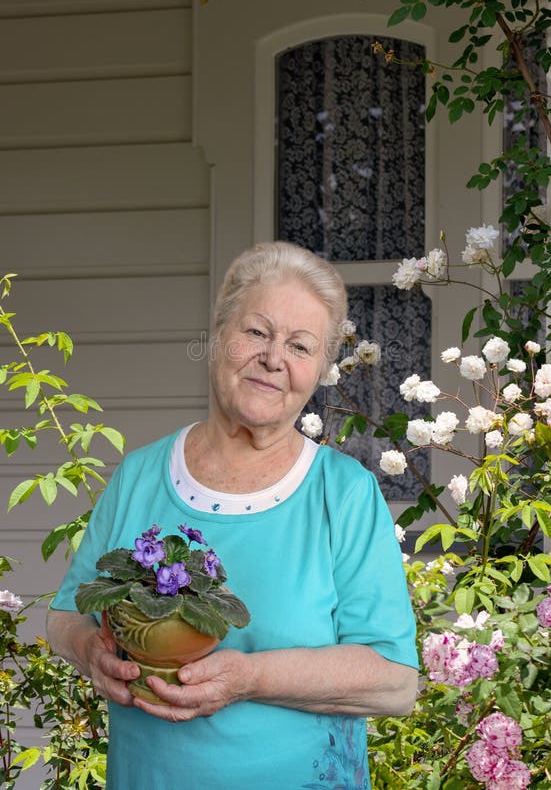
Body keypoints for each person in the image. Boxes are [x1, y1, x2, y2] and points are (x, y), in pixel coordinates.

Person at [47, 241, 418, 790]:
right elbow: (65, 615)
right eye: (257, 332)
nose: (274, 359)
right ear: (219, 333)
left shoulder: (343, 493)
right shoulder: (140, 476)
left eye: (300, 346)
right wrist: (89, 651)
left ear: (319, 369)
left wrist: (248, 678)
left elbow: (393, 682)